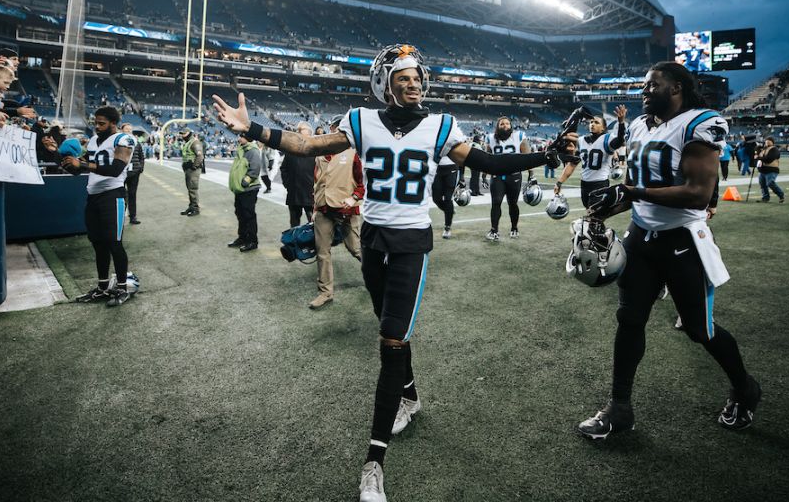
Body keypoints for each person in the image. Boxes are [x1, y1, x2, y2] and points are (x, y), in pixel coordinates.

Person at [211, 43, 570, 502]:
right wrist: (252, 129)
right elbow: (306, 145)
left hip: (411, 244)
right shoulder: (362, 121)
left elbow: (487, 162)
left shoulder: (441, 127)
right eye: (403, 77)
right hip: (376, 240)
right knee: (391, 332)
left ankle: (373, 463)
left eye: (418, 77)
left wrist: (544, 156)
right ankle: (411, 398)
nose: (414, 83)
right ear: (385, 84)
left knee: (390, 343)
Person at [576, 61, 761, 440]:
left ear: (676, 88)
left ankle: (745, 387)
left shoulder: (700, 123)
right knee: (629, 320)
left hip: (683, 242)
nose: (644, 92)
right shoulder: (643, 125)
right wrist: (603, 210)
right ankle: (619, 407)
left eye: (652, 85)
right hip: (641, 238)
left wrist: (634, 193)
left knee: (699, 330)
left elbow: (698, 193)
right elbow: (631, 185)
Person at [61, 106, 138, 307]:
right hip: (93, 196)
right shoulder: (94, 141)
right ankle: (103, 287)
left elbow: (115, 169)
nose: (97, 126)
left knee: (114, 242)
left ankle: (122, 287)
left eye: (102, 123)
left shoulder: (124, 139)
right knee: (98, 243)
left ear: (113, 123)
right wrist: (62, 158)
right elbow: (78, 171)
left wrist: (83, 165)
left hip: (113, 196)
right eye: (95, 122)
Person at [309, 115, 365, 310]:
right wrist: (314, 208)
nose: (338, 131)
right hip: (323, 208)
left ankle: (379, 276)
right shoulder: (319, 154)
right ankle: (325, 292)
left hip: (347, 209)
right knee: (322, 251)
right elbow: (317, 183)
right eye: (336, 127)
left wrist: (354, 198)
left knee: (356, 249)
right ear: (331, 128)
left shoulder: (353, 153)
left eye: (342, 128)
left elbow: (363, 184)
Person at [554, 107, 628, 211]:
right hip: (584, 184)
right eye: (591, 122)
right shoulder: (581, 140)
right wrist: (559, 182)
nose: (592, 124)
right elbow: (572, 164)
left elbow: (620, 140)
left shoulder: (607, 139)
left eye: (596, 122)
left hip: (600, 184)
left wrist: (621, 123)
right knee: (589, 213)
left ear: (603, 128)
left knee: (594, 216)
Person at [484, 116, 531, 240]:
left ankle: (514, 228)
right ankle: (494, 230)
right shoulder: (490, 138)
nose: (505, 126)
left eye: (507, 124)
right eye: (502, 124)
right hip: (497, 176)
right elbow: (487, 158)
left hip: (514, 175)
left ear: (511, 126)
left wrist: (532, 175)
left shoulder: (519, 136)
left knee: (513, 203)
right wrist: (484, 175)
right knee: (496, 202)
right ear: (497, 127)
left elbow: (528, 157)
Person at [228, 131, 264, 252]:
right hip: (240, 189)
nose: (239, 138)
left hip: (248, 189)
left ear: (247, 138)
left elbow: (255, 169)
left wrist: (245, 181)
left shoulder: (252, 151)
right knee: (240, 213)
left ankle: (252, 241)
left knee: (248, 215)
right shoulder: (242, 149)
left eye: (241, 136)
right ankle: (242, 237)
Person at [280, 122, 317, 227]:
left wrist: (316, 188)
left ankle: (314, 242)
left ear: (310, 136)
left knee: (314, 221)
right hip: (294, 193)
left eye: (304, 135)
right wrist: (287, 184)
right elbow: (283, 169)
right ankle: (295, 242)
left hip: (311, 193)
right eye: (300, 135)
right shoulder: (290, 150)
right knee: (294, 222)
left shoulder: (316, 152)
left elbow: (321, 172)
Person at [121, 124, 146, 225]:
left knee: (132, 195)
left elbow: (141, 156)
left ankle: (133, 217)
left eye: (130, 130)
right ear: (121, 130)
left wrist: (140, 168)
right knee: (121, 195)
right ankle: (120, 217)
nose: (129, 131)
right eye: (126, 129)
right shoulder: (118, 141)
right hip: (121, 173)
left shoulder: (136, 143)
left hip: (134, 173)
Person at [178, 127, 206, 216]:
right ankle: (191, 206)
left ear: (189, 133)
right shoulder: (188, 143)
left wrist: (194, 167)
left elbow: (200, 156)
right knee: (190, 189)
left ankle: (196, 209)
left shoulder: (195, 142)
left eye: (184, 134)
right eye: (181, 134)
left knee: (193, 189)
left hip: (193, 169)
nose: (182, 135)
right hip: (188, 169)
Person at [755, 137, 785, 203]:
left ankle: (781, 194)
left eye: (769, 141)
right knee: (762, 185)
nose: (767, 143)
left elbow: (769, 159)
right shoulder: (763, 149)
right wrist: (757, 150)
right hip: (762, 171)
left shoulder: (775, 149)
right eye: (766, 141)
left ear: (773, 142)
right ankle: (765, 198)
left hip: (771, 170)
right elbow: (756, 155)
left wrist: (759, 158)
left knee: (770, 183)